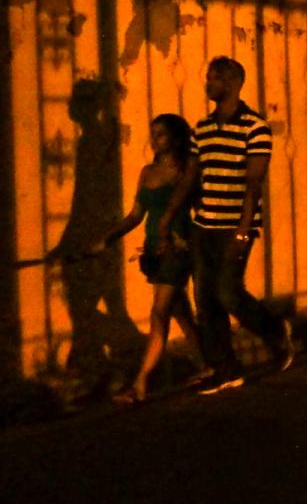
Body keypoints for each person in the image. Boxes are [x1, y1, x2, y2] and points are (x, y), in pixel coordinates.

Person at [160, 56, 291, 395]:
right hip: (204, 225)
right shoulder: (202, 129)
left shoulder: (255, 128)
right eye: (208, 77)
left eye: (215, 77)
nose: (208, 83)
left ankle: (273, 331)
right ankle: (226, 369)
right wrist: (168, 216)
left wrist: (243, 231)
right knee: (205, 301)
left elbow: (254, 183)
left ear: (233, 83)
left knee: (228, 292)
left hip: (236, 225)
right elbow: (191, 176)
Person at [91, 113, 210, 403]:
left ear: (177, 139)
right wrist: (108, 238)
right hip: (154, 250)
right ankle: (208, 365)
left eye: (161, 134)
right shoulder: (147, 172)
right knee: (180, 312)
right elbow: (135, 215)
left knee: (159, 314)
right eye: (153, 133)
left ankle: (140, 384)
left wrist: (187, 240)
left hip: (175, 251)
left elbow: (203, 210)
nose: (155, 140)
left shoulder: (186, 172)